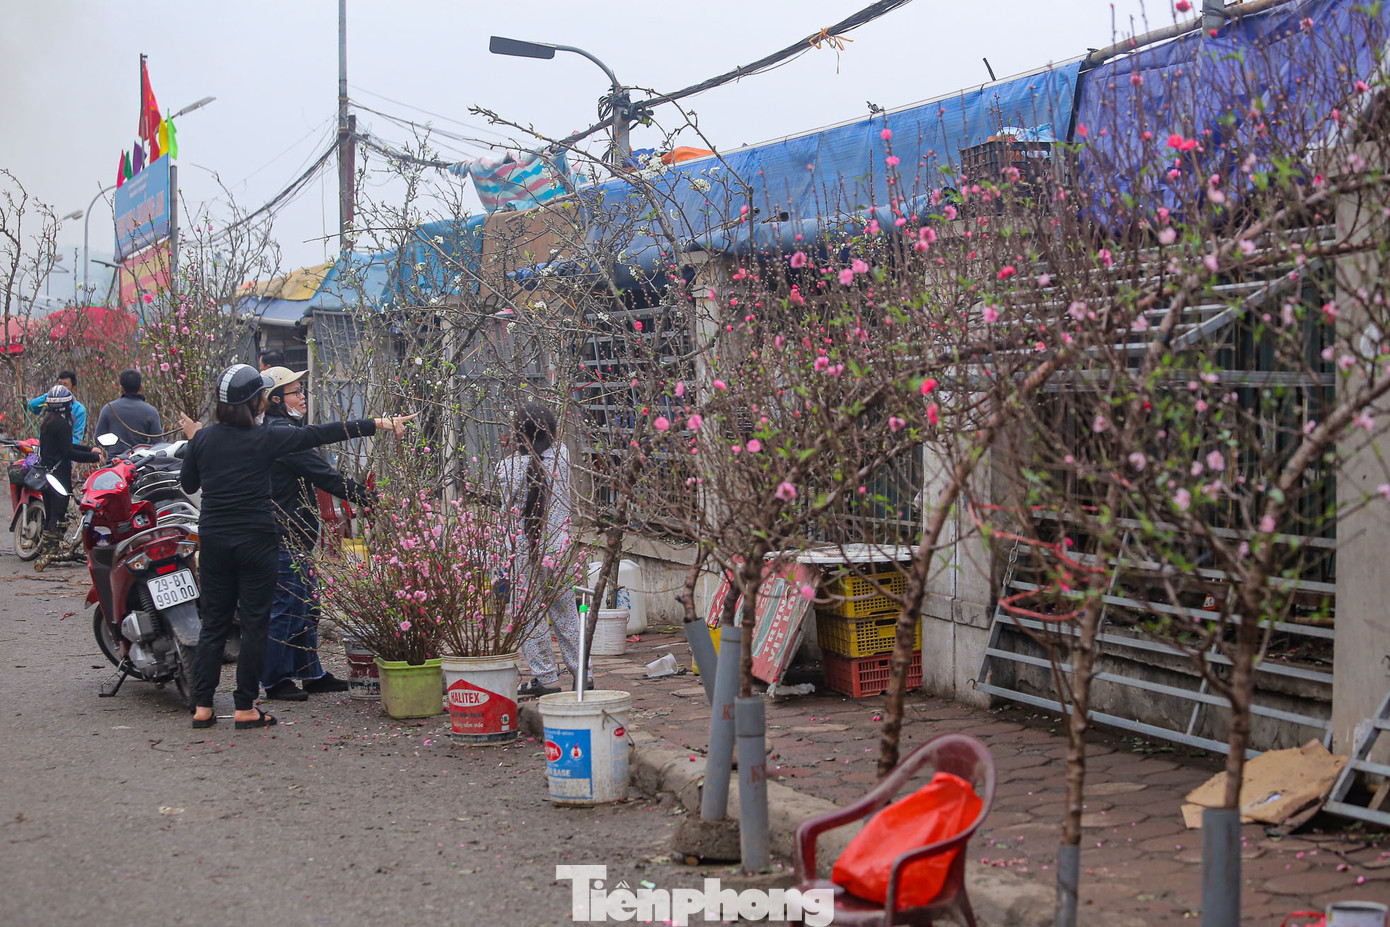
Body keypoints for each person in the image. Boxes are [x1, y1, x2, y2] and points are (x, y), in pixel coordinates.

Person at [181, 363, 413, 730]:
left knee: (214, 624)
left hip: (214, 540)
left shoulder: (204, 439)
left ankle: (203, 708)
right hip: (257, 541)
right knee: (256, 623)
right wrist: (378, 423)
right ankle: (244, 707)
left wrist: (197, 443)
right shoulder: (267, 438)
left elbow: (189, 481)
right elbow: (324, 434)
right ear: (255, 402)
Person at [260, 366, 376, 701]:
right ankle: (274, 680)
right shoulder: (282, 434)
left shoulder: (284, 429)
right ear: (276, 400)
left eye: (301, 390)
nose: (302, 397)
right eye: (295, 392)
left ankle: (310, 673)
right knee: (286, 607)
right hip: (283, 536)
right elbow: (325, 476)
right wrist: (370, 499)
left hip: (295, 535)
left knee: (306, 606)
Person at [500, 402, 591, 696]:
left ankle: (545, 677)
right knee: (566, 612)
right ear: (551, 431)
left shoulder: (505, 469)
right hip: (557, 549)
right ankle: (583, 674)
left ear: (517, 433)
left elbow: (505, 512)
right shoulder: (562, 456)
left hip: (522, 549)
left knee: (530, 615)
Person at [34, 385, 104, 571]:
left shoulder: (47, 422)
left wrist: (89, 449)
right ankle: (49, 553)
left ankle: (47, 550)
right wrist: (93, 457)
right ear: (66, 406)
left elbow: (65, 447)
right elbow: (68, 452)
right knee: (57, 514)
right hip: (59, 476)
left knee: (51, 513)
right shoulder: (63, 425)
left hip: (46, 474)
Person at [94, 369, 163, 454]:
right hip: (141, 462)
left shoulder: (109, 409)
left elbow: (98, 438)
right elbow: (158, 442)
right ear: (140, 388)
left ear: (121, 388)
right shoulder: (151, 411)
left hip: (115, 462)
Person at [28, 370, 85, 444]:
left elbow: (77, 437)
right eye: (60, 384)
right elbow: (32, 406)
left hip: (67, 447)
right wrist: (50, 395)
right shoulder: (51, 402)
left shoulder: (79, 409)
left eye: (65, 385)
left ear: (73, 388)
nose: (62, 388)